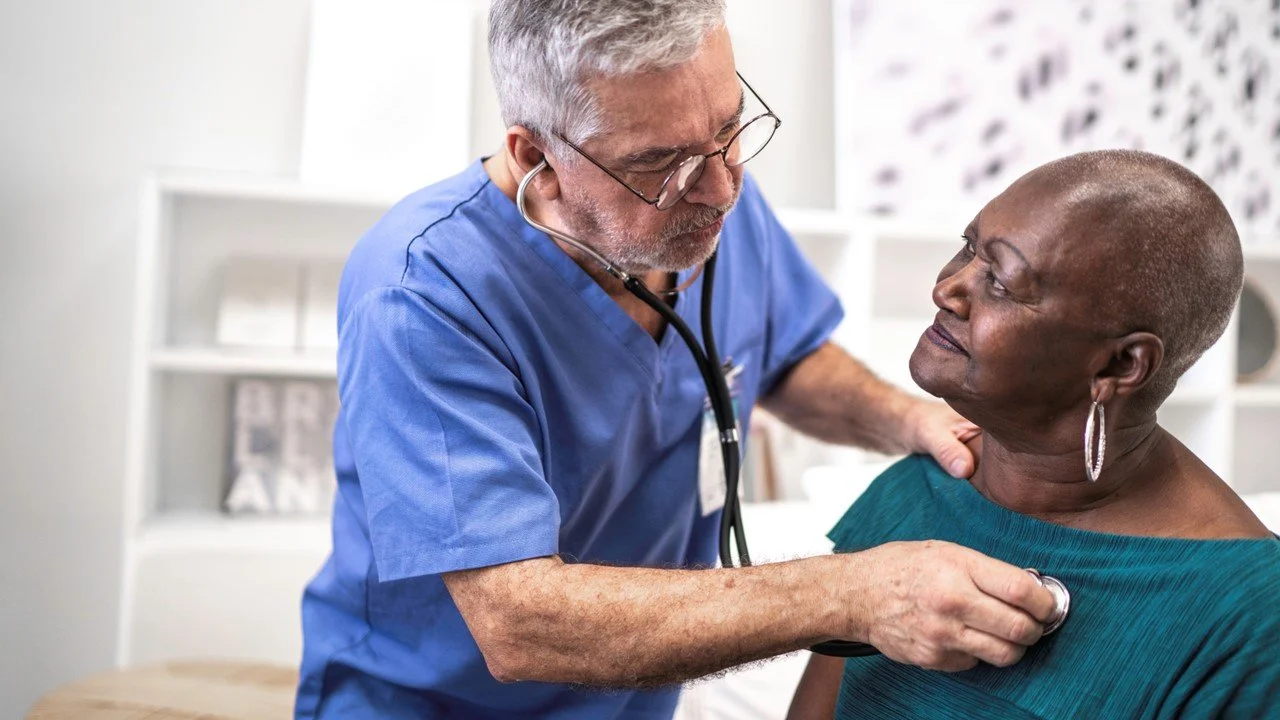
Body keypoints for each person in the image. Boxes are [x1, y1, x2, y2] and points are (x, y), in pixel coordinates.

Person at [294, 2, 1059, 718]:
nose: (721, 188)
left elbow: (783, 356)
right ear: (539, 158)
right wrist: (854, 594)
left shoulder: (708, 200)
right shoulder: (423, 293)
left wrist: (909, 420)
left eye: (730, 128)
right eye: (661, 163)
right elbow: (517, 622)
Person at [787, 149, 1280, 720]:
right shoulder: (917, 489)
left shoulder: (1247, 616)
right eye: (969, 247)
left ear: (1120, 365)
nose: (947, 289)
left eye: (1000, 281)